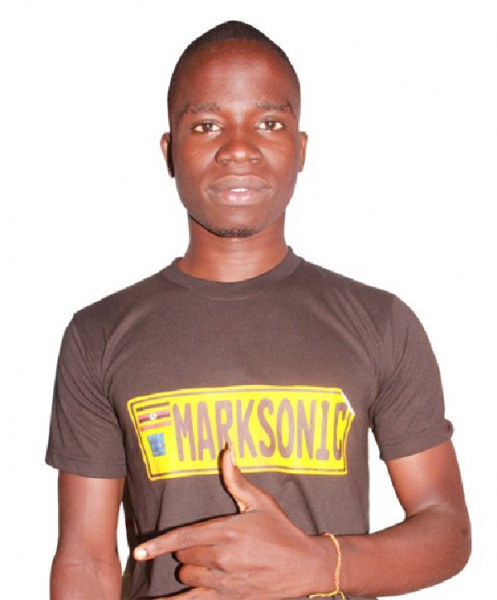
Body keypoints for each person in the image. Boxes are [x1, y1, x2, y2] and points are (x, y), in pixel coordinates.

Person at [46, 20, 470, 600]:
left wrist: (319, 565)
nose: (239, 148)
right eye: (207, 125)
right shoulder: (99, 334)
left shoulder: (380, 323)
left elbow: (447, 530)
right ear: (170, 152)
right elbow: (85, 560)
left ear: (300, 150)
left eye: (269, 123)